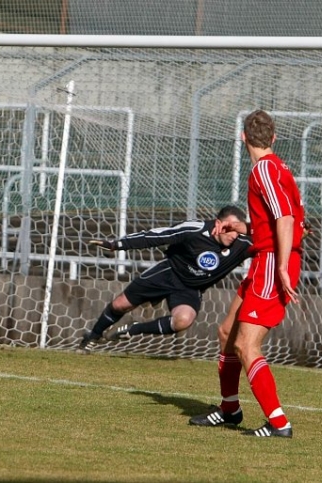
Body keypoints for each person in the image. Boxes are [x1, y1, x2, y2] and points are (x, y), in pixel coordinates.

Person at [189, 110, 304, 438]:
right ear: (274, 136)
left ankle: (279, 423)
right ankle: (229, 409)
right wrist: (242, 227)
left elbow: (285, 219)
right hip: (265, 260)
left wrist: (280, 265)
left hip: (271, 263)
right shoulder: (276, 168)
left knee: (246, 345)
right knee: (227, 333)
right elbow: (281, 220)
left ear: (243, 138)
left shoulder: (264, 169)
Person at [78, 205, 252, 353]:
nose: (233, 235)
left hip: (190, 288)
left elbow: (272, 235)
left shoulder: (244, 243)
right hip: (169, 272)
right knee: (120, 304)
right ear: (218, 223)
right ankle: (92, 337)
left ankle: (133, 329)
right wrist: (117, 244)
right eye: (230, 228)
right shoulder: (195, 229)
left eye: (237, 230)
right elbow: (157, 235)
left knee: (183, 320)